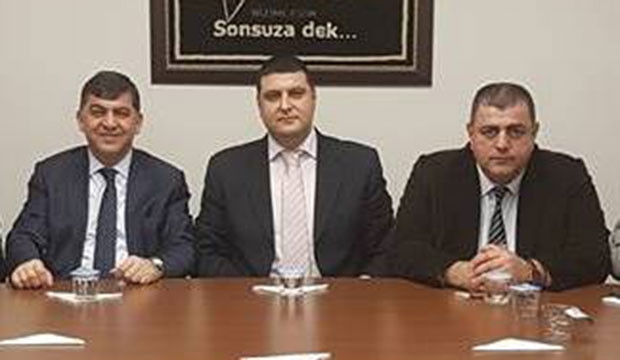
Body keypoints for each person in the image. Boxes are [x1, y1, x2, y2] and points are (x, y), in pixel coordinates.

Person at [391, 82, 610, 292]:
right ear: (471, 133)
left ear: (534, 132)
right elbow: (402, 249)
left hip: (531, 308)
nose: (502, 144)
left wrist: (530, 271)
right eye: (489, 132)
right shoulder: (434, 173)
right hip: (453, 305)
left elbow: (595, 256)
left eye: (516, 131)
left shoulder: (566, 176)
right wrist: (454, 272)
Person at [195, 55, 393, 277]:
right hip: (254, 294)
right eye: (272, 96)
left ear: (314, 98)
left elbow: (385, 246)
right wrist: (244, 292)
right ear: (259, 105)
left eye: (296, 94)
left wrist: (362, 289)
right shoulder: (226, 169)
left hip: (340, 295)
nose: (285, 106)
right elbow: (207, 250)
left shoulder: (360, 165)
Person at [6, 70, 194, 289]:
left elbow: (184, 247)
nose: (110, 123)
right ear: (81, 120)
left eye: (121, 113)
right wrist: (29, 263)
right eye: (98, 112)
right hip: (67, 294)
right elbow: (23, 236)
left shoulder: (166, 180)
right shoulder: (51, 174)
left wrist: (155, 265)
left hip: (138, 295)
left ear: (138, 123)